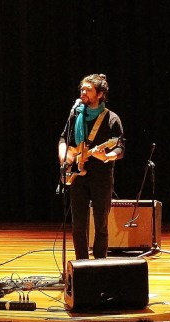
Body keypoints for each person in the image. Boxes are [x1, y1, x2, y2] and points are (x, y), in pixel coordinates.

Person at [58, 73, 125, 260]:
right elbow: (64, 139)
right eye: (82, 89)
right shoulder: (75, 115)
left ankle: (99, 265)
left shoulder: (111, 118)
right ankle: (81, 265)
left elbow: (120, 147)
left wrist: (108, 156)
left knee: (101, 224)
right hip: (77, 176)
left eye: (88, 90)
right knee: (78, 226)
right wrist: (65, 158)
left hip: (101, 177)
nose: (83, 92)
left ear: (100, 94)